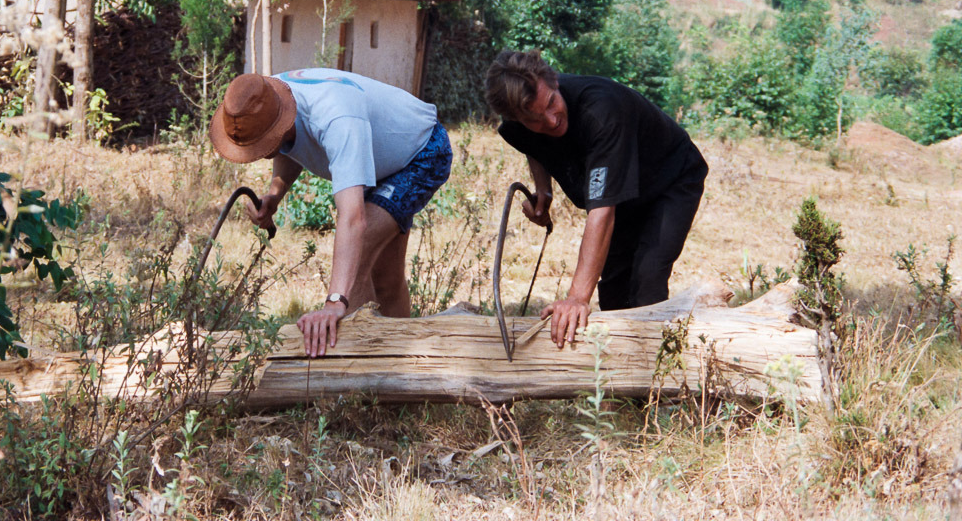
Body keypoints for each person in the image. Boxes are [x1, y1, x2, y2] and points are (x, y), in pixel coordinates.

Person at [210, 69, 452, 357]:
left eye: (263, 146)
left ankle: (359, 374)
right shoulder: (262, 97)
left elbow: (352, 219)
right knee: (385, 279)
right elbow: (289, 144)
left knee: (360, 252)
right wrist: (275, 195)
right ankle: (398, 366)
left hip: (421, 152)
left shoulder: (336, 118)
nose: (262, 153)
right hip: (378, 158)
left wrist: (335, 302)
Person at [484, 50, 707, 349]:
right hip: (627, 190)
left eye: (552, 103)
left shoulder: (602, 110)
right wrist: (543, 190)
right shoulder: (519, 126)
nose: (550, 121)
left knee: (647, 277)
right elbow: (530, 143)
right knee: (614, 287)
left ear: (555, 81)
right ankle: (618, 378)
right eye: (535, 120)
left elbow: (601, 213)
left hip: (671, 179)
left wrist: (576, 298)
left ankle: (654, 377)